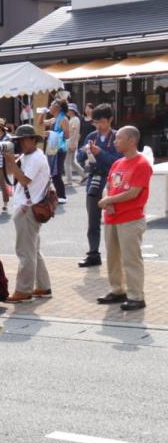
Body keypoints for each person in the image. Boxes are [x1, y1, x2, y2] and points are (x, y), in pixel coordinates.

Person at [96, 125, 152, 311]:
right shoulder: (117, 163)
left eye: (119, 138)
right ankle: (117, 290)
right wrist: (108, 201)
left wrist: (109, 200)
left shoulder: (141, 164)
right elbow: (109, 185)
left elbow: (134, 192)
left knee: (131, 258)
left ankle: (136, 295)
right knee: (113, 257)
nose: (115, 141)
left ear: (132, 141)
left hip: (131, 218)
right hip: (112, 218)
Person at [3, 125, 53, 302]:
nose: (20, 143)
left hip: (27, 208)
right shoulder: (29, 156)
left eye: (23, 139)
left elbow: (23, 180)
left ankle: (24, 290)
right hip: (28, 206)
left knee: (25, 252)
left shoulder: (36, 158)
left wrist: (10, 161)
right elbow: (12, 174)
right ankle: (43, 286)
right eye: (18, 140)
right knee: (34, 250)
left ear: (33, 140)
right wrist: (11, 160)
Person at [79, 104, 120, 268]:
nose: (99, 126)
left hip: (113, 182)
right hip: (94, 179)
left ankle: (118, 254)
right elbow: (80, 156)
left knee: (116, 220)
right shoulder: (91, 136)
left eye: (102, 121)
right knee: (93, 220)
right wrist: (85, 151)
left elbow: (117, 162)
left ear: (110, 119)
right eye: (96, 122)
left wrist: (99, 153)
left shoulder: (118, 137)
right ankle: (93, 253)